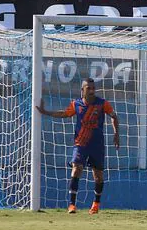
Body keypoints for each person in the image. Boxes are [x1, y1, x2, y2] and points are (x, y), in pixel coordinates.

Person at [36, 78, 120, 214]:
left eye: (93, 88)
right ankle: (71, 205)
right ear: (83, 90)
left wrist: (116, 134)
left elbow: (114, 116)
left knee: (98, 176)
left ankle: (96, 204)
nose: (92, 91)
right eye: (89, 88)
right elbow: (64, 113)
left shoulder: (102, 104)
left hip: (97, 145)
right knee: (76, 168)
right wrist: (46, 112)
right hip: (81, 143)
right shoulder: (76, 104)